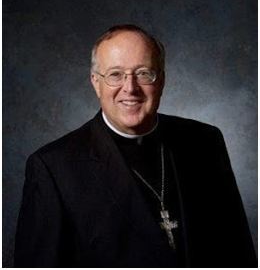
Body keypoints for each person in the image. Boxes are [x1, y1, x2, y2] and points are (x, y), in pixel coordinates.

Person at [14, 24, 257, 267]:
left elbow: (239, 253)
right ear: (95, 83)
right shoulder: (53, 167)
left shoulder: (205, 142)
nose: (130, 88)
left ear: (161, 79)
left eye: (143, 73)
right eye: (115, 75)